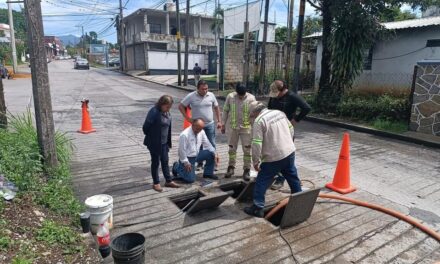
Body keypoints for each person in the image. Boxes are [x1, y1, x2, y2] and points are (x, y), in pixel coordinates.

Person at [244, 102, 302, 217]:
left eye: (252, 115)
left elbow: (256, 143)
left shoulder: (259, 121)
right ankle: (299, 201)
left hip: (273, 157)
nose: (252, 117)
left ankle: (258, 208)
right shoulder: (279, 113)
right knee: (292, 176)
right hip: (289, 152)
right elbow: (291, 129)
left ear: (255, 112)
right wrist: (288, 144)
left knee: (262, 180)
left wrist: (255, 162)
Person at [267, 80, 311, 190]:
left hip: (286, 129)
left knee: (285, 154)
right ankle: (274, 175)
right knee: (274, 153)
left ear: (283, 90)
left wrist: (296, 120)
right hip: (274, 128)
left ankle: (281, 179)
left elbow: (306, 108)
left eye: (277, 93)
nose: (275, 96)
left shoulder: (292, 96)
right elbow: (269, 108)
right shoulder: (274, 96)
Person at [178, 80, 221, 175]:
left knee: (211, 143)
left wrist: (219, 121)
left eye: (206, 89)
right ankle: (199, 163)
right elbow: (181, 106)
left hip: (209, 124)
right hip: (197, 125)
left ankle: (212, 165)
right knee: (198, 144)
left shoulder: (211, 95)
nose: (205, 91)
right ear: (197, 88)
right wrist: (187, 118)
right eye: (203, 89)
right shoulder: (191, 96)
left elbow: (216, 107)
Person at [142, 95, 180, 192]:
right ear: (161, 104)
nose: (168, 109)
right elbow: (145, 128)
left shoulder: (166, 112)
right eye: (167, 107)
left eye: (169, 107)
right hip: (154, 143)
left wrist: (167, 141)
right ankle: (156, 183)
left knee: (165, 161)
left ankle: (168, 180)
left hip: (164, 143)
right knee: (155, 162)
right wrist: (153, 137)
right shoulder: (154, 112)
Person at [221, 84, 256, 181]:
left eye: (242, 95)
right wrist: (223, 124)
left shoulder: (251, 98)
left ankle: (247, 169)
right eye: (239, 95)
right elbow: (225, 111)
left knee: (247, 149)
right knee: (232, 148)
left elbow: (254, 114)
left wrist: (255, 128)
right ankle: (231, 167)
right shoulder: (230, 97)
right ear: (236, 92)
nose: (241, 97)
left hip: (246, 128)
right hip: (233, 127)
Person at [173, 119, 216, 183]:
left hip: (197, 154)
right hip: (188, 158)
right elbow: (181, 151)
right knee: (190, 179)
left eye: (200, 129)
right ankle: (176, 167)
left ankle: (208, 173)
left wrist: (215, 152)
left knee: (211, 154)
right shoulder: (184, 134)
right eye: (197, 129)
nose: (198, 131)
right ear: (192, 125)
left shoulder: (201, 131)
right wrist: (186, 163)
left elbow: (207, 144)